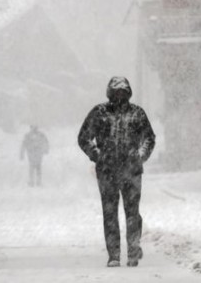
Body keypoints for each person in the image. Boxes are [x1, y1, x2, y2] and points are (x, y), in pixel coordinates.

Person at [78, 77, 155, 268]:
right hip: (107, 172)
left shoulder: (137, 113)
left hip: (132, 171)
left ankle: (133, 250)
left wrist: (140, 156)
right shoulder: (99, 113)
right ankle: (114, 255)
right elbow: (83, 137)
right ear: (110, 93)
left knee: (132, 212)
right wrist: (97, 155)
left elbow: (149, 138)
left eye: (123, 91)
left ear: (128, 93)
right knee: (110, 213)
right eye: (116, 92)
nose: (120, 95)